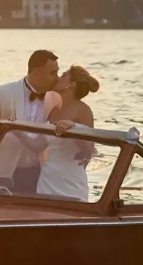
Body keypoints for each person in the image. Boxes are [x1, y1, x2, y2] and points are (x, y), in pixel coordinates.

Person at [0, 50, 59, 195]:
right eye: (52, 73)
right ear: (37, 74)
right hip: (2, 173)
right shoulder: (2, 93)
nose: (57, 78)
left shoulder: (54, 99)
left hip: (36, 173)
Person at [36, 66, 100, 201]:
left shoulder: (83, 110)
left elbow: (89, 148)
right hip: (46, 181)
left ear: (71, 84)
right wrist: (13, 129)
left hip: (71, 183)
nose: (58, 78)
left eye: (63, 75)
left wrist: (75, 127)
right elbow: (38, 145)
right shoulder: (53, 109)